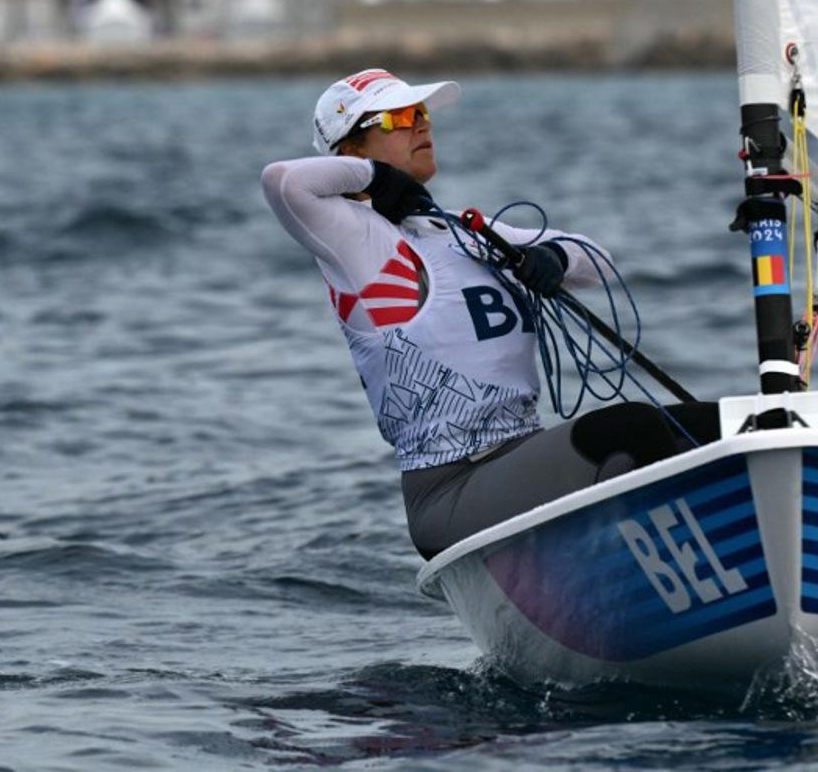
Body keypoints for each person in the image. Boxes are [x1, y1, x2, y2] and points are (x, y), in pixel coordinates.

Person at [262, 69, 718, 560]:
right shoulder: (354, 240)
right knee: (630, 431)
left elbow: (595, 259)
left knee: (721, 424)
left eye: (422, 113)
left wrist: (554, 260)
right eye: (398, 118)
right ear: (351, 152)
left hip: (520, 458)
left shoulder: (460, 230)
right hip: (451, 490)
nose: (421, 126)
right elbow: (284, 181)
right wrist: (378, 179)